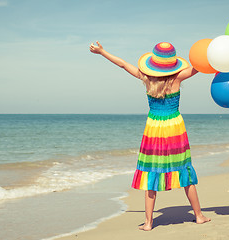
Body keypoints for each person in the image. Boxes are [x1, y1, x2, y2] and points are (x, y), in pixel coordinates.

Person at [90, 41, 211, 231]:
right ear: (173, 63)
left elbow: (122, 64)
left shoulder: (146, 78)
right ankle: (199, 215)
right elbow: (199, 68)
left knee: (151, 171)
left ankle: (148, 223)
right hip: (174, 128)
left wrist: (102, 51)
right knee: (184, 169)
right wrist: (214, 58)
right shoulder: (178, 78)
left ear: (153, 63)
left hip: (153, 128)